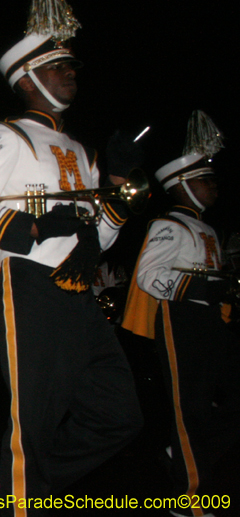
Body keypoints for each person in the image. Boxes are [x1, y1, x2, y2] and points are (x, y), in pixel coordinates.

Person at [0, 0, 142, 514]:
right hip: (30, 287)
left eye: (71, 66)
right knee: (35, 418)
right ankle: (23, 493)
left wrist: (117, 187)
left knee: (121, 415)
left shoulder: (83, 151)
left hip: (80, 294)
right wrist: (32, 227)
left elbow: (100, 239)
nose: (70, 73)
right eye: (57, 66)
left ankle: (20, 478)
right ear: (27, 79)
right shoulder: (8, 136)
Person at [123, 111, 239, 517]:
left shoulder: (208, 229)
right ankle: (188, 499)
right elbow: (148, 276)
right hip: (181, 321)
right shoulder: (169, 225)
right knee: (189, 409)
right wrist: (200, 288)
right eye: (206, 181)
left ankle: (182, 451)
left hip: (210, 323)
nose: (214, 187)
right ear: (184, 185)